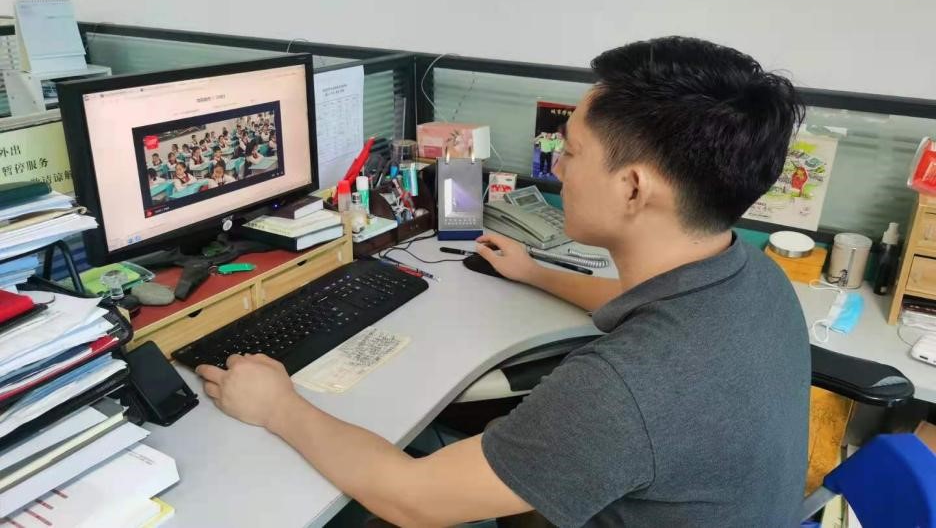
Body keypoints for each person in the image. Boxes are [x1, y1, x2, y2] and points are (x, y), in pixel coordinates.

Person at [195, 37, 809, 527]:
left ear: (633, 188)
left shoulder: (625, 388)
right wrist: (536, 272)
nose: (558, 168)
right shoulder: (754, 277)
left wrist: (278, 406)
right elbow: (633, 302)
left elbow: (413, 499)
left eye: (571, 152)